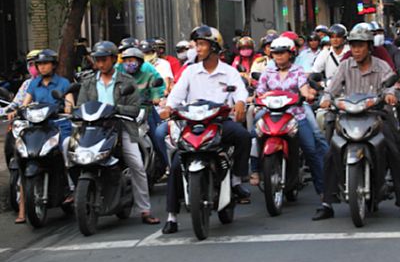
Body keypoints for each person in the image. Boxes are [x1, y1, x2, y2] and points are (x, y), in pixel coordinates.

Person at [312, 24, 400, 221]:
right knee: (330, 154)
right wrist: (326, 99)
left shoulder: (381, 66)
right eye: (353, 46)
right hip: (348, 116)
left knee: (395, 152)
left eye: (360, 46)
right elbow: (332, 89)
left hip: (377, 116)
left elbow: (389, 86)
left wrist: (390, 95)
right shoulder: (345, 66)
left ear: (369, 47)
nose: (356, 50)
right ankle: (326, 202)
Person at [160, 25, 252, 234]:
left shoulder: (228, 72)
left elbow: (240, 91)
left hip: (219, 123)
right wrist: (168, 108)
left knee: (243, 136)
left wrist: (239, 103)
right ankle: (172, 216)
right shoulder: (190, 72)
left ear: (214, 47)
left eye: (201, 44)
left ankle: (237, 180)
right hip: (192, 125)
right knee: (176, 164)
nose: (197, 49)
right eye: (196, 44)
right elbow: (176, 97)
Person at [77, 41, 160, 225]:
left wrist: (115, 109)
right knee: (72, 153)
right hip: (95, 129)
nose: (100, 64)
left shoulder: (127, 81)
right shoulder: (89, 81)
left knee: (136, 164)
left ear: (114, 60)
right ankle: (74, 196)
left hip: (121, 126)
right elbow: (81, 104)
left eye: (104, 60)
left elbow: (134, 107)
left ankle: (145, 209)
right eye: (97, 60)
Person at [250, 36, 326, 195]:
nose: (279, 56)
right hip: (270, 112)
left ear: (290, 54)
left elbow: (304, 88)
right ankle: (255, 168)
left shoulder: (298, 70)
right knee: (254, 132)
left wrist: (307, 95)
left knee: (310, 148)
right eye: (276, 53)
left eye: (282, 53)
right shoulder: (267, 71)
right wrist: (255, 98)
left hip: (294, 114)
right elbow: (260, 91)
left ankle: (323, 190)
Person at [13, 49, 75, 224]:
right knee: (22, 157)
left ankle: (72, 188)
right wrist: (17, 112)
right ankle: (22, 207)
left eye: (46, 63)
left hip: (58, 127)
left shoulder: (63, 83)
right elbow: (24, 104)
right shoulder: (34, 84)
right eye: (39, 64)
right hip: (36, 129)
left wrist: (67, 109)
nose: (42, 67)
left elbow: (70, 105)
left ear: (53, 65)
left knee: (66, 148)